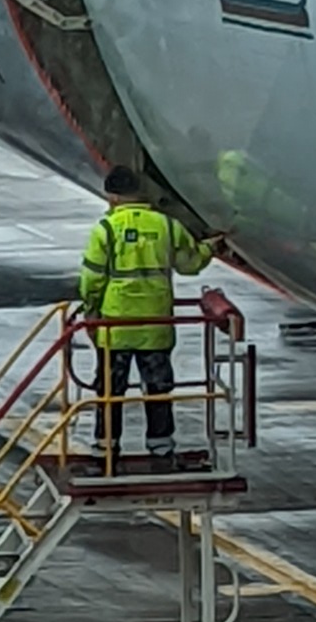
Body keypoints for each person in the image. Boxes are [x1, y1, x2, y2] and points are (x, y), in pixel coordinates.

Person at [76, 166, 214, 468]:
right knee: (157, 388)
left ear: (112, 196)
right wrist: (209, 248)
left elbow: (92, 279)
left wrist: (90, 311)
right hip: (156, 323)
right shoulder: (167, 225)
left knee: (110, 390)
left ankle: (105, 447)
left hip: (115, 325)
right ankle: (161, 446)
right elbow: (189, 264)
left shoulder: (106, 228)